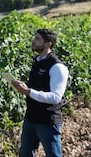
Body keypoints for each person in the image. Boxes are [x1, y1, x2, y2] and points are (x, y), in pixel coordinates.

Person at [11, 28, 69, 157]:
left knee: (53, 155)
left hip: (48, 120)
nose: (33, 41)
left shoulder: (57, 67)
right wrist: (23, 88)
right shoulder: (37, 61)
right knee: (25, 154)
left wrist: (28, 91)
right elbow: (35, 89)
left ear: (48, 44)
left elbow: (55, 97)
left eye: (37, 39)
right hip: (31, 117)